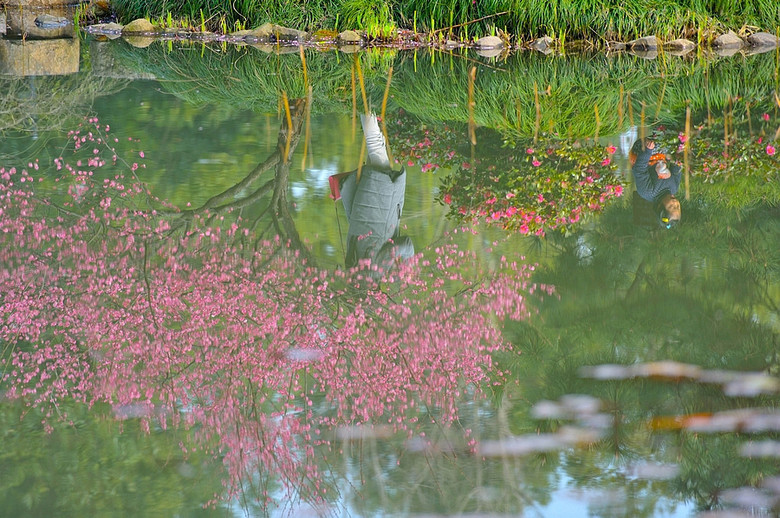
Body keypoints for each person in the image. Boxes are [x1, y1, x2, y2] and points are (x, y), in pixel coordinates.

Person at [333, 113, 414, 276]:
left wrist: (406, 265)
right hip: (365, 197)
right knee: (376, 149)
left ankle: (365, 100)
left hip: (380, 197)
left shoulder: (376, 269)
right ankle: (370, 104)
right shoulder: (353, 263)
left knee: (374, 143)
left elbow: (406, 244)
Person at [629, 138, 682, 229]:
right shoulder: (674, 188)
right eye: (677, 206)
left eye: (671, 207)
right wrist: (681, 155)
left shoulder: (647, 192)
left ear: (659, 206)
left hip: (643, 152)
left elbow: (639, 169)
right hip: (661, 152)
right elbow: (677, 167)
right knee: (678, 141)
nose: (675, 203)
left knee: (660, 141)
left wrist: (648, 151)